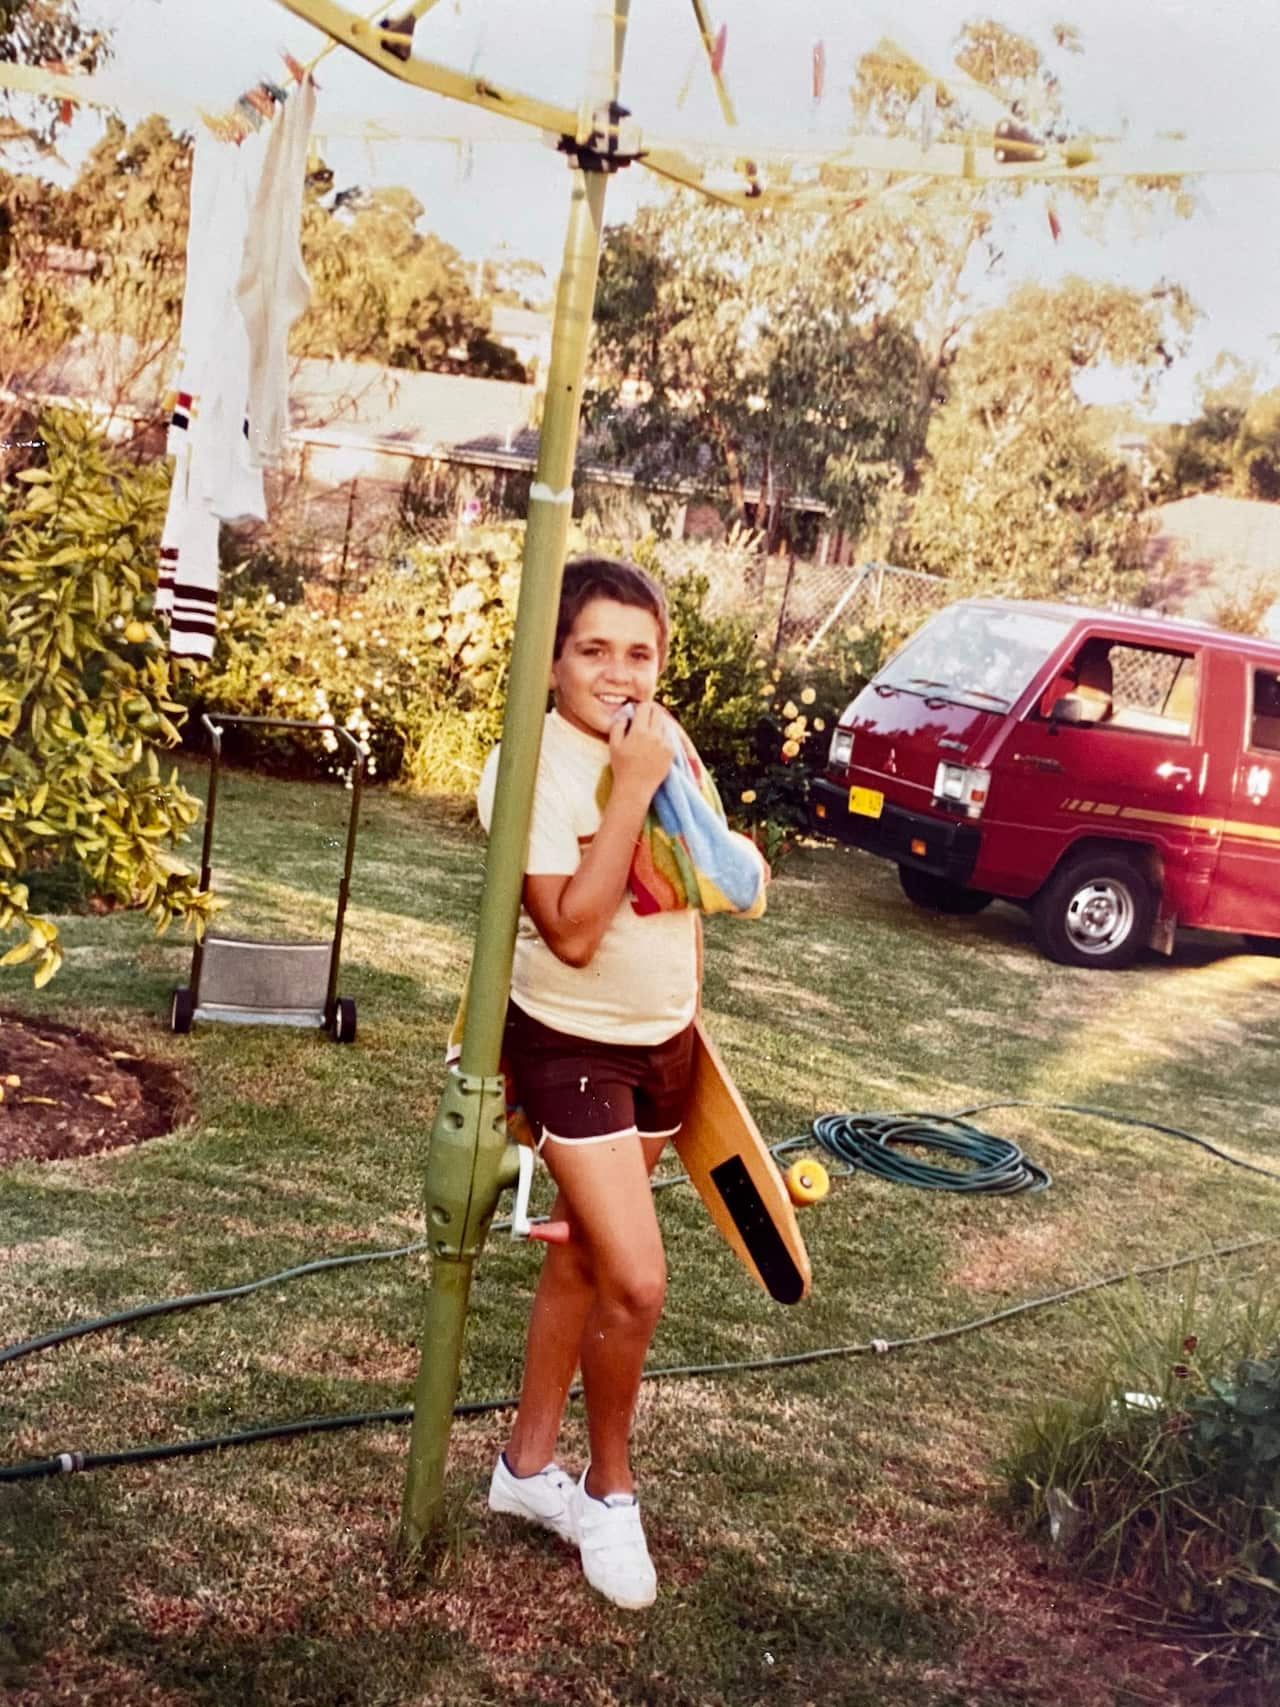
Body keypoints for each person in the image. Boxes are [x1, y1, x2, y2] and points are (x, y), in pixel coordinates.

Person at [475, 555, 767, 1610]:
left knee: (587, 1265)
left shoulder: (664, 740)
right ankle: (607, 1489)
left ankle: (521, 1470)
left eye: (637, 653)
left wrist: (676, 795)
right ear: (550, 660)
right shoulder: (529, 767)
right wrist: (636, 784)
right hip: (568, 1046)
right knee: (636, 1279)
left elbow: (695, 878)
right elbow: (569, 924)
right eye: (592, 650)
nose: (616, 672)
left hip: (663, 1043)